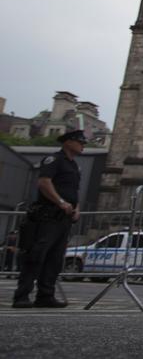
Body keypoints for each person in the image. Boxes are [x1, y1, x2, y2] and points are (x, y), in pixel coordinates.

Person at [12, 129, 85, 308]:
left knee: (55, 259)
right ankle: (22, 296)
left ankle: (45, 295)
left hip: (64, 218)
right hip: (47, 215)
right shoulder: (54, 160)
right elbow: (44, 182)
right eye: (80, 142)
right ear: (68, 142)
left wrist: (76, 208)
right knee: (36, 256)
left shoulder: (74, 165)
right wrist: (60, 202)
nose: (83, 145)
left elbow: (74, 191)